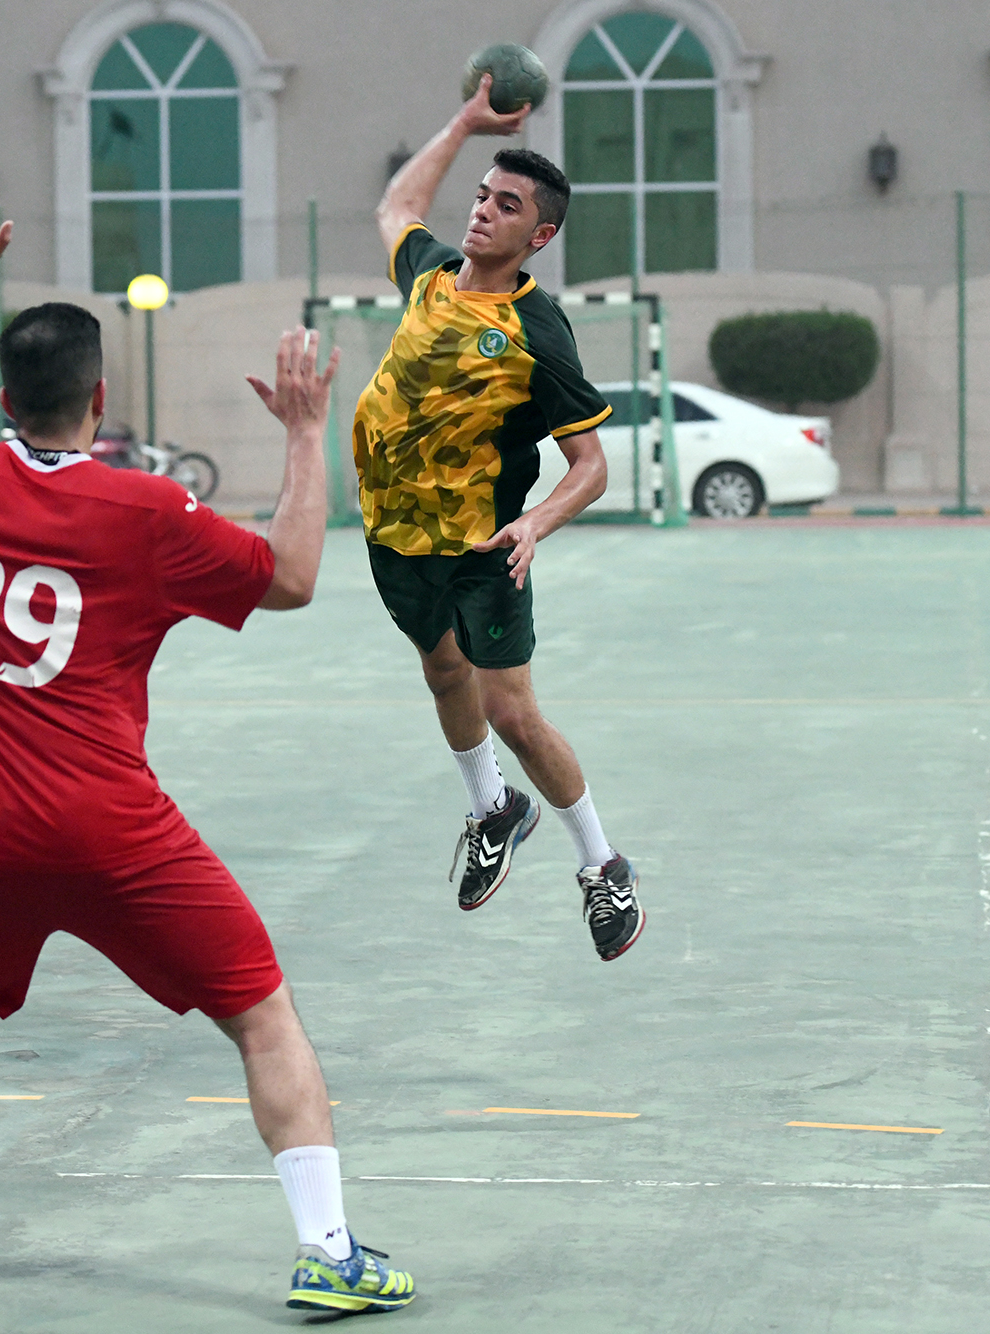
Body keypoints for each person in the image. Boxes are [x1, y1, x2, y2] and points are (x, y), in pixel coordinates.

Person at [0, 188, 414, 1316]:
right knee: (261, 1014)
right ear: (99, 396)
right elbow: (290, 577)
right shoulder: (145, 507)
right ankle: (325, 1249)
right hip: (112, 828)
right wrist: (297, 431)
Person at [358, 75, 643, 960]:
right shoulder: (431, 275)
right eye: (482, 196)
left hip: (482, 547)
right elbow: (399, 202)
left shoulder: (537, 329)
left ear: (540, 233)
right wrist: (465, 123)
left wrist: (536, 524)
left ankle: (602, 865)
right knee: (444, 677)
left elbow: (590, 465)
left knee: (512, 714)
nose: (482, 212)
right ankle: (492, 809)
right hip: (392, 536)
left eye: (506, 204)